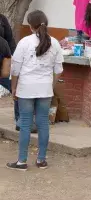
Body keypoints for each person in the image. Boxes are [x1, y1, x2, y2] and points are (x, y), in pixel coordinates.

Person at [6, 10, 63, 171]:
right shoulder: (55, 43)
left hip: (26, 88)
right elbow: (59, 69)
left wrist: (13, 88)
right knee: (43, 123)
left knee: (25, 123)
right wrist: (51, 85)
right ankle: (41, 160)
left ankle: (22, 161)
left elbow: (15, 69)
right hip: (45, 88)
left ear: (30, 26)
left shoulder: (24, 42)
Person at [0, 14, 19, 128]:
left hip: (3, 61)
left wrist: (16, 57)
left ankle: (20, 120)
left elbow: (10, 39)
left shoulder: (2, 19)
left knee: (17, 89)